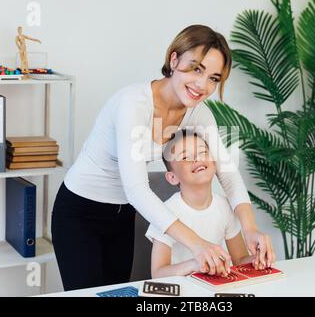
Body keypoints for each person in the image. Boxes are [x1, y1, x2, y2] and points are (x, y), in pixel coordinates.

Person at [51, 24, 275, 291]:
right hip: (80, 211)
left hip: (123, 215)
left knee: (115, 295)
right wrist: (198, 245)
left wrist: (250, 228)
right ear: (174, 59)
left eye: (214, 78)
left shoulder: (199, 114)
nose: (202, 85)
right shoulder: (134, 104)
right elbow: (136, 188)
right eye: (196, 69)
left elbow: (227, 172)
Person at [146, 129, 267, 278]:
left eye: (203, 152)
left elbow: (240, 260)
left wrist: (257, 259)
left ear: (215, 163)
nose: (197, 159)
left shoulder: (225, 207)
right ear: (172, 177)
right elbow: (158, 273)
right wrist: (194, 264)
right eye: (185, 156)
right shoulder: (165, 213)